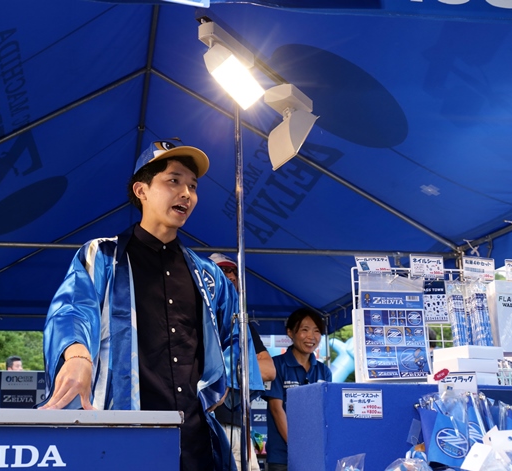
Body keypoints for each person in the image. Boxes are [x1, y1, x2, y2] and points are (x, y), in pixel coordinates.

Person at [41, 139, 264, 471]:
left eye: (193, 186)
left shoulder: (208, 276)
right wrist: (76, 356)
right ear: (141, 190)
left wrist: (224, 387)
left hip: (194, 440)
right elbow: (73, 309)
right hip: (122, 433)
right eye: (174, 180)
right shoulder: (103, 256)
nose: (186, 193)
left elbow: (235, 339)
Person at [209, 253, 275, 471]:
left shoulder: (242, 323)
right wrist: (238, 369)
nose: (230, 276)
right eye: (222, 271)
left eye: (233, 272)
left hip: (237, 425)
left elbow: (268, 370)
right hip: (205, 421)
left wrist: (225, 371)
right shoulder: (197, 319)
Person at [263, 308, 332, 471]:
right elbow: (276, 409)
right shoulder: (276, 365)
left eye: (316, 331)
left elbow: (326, 413)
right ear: (290, 333)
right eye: (305, 330)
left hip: (315, 455)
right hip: (282, 457)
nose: (311, 336)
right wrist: (297, 447)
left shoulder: (324, 371)